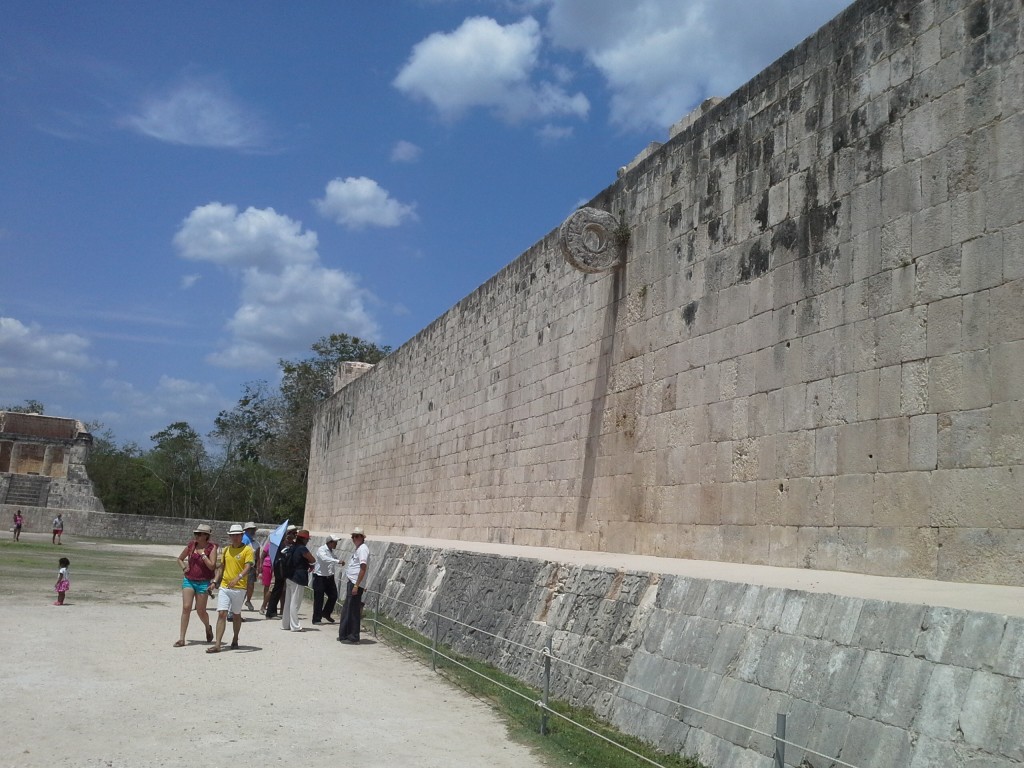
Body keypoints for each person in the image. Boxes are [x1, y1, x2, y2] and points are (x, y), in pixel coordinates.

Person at [207, 524, 254, 653]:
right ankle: (217, 644)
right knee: (222, 613)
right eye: (232, 535)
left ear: (241, 536)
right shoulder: (226, 550)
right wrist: (215, 582)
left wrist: (238, 578)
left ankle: (235, 638)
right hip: (225, 586)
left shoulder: (247, 550)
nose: (235, 537)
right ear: (229, 536)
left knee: (236, 615)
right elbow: (221, 567)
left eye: (237, 535)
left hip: (239, 588)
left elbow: (248, 566)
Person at [174, 524, 217, 647]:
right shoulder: (191, 545)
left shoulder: (211, 548)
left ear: (206, 536)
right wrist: (184, 568)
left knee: (200, 611)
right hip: (189, 580)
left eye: (199, 534)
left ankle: (207, 627)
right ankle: (182, 638)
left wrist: (203, 555)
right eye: (196, 534)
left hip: (203, 582)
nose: (196, 536)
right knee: (186, 607)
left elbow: (212, 566)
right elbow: (180, 559)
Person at [338, 527, 369, 644]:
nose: (354, 538)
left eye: (357, 536)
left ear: (362, 537)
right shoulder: (359, 549)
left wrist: (357, 585)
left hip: (355, 583)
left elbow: (363, 567)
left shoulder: (363, 549)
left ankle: (353, 636)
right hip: (352, 581)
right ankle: (345, 634)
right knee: (348, 608)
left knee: (352, 610)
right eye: (353, 536)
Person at [280, 529, 315, 632]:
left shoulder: (291, 547)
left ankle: (285, 624)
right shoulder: (302, 549)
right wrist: (310, 564)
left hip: (290, 576)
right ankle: (295, 626)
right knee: (295, 603)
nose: (307, 541)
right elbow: (312, 559)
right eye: (307, 539)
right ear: (304, 539)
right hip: (298, 577)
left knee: (288, 602)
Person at [264, 526, 297, 620]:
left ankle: (272, 611)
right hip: (280, 569)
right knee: (276, 591)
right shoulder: (280, 545)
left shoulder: (281, 544)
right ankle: (270, 612)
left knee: (277, 591)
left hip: (281, 569)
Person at [311, 534, 341, 624]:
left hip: (329, 577)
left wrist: (338, 560)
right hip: (320, 577)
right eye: (335, 542)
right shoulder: (322, 550)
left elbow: (333, 558)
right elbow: (324, 559)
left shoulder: (331, 552)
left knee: (333, 595)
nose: (336, 544)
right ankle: (316, 619)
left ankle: (326, 613)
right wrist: (337, 561)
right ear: (330, 542)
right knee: (319, 598)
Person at [241, 522, 261, 612]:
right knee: (244, 585)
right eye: (251, 529)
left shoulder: (254, 542)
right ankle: (241, 602)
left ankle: (247, 600)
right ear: (247, 530)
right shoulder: (244, 539)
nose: (253, 531)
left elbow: (257, 556)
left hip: (251, 566)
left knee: (250, 585)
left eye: (253, 529)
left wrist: (257, 567)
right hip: (244, 565)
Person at [258, 549, 273, 615]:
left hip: (275, 566)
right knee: (267, 585)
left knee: (272, 586)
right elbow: (262, 556)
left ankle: (268, 603)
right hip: (267, 565)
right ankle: (266, 602)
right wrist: (260, 566)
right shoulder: (269, 545)